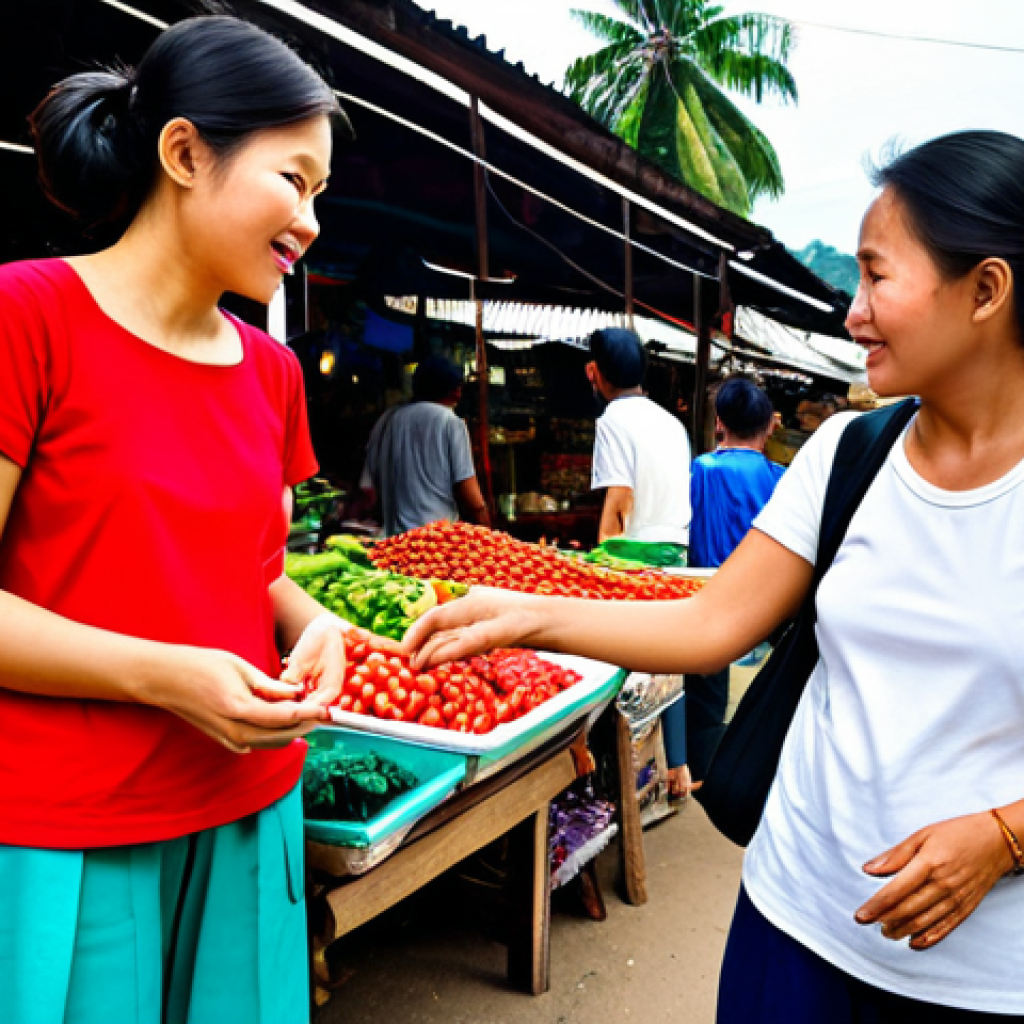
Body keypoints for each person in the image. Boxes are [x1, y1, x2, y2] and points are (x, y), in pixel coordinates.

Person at [404, 130, 1024, 1022]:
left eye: (878, 278)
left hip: (979, 977)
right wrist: (524, 612)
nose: (853, 313)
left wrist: (1003, 837)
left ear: (987, 290)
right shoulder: (848, 456)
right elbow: (711, 624)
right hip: (795, 918)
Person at [0, 17, 355, 1023]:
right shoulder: (26, 319)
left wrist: (309, 623)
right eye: (294, 180)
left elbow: (250, 571)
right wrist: (165, 675)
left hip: (248, 812)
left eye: (319, 193)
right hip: (66, 823)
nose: (312, 222)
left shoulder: (274, 373)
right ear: (185, 153)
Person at [664, 377, 785, 799]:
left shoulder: (699, 469)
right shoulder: (782, 478)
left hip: (708, 602)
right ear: (771, 425)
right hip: (768, 606)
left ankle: (706, 781)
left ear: (719, 423)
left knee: (707, 706)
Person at [360, 355, 490, 536]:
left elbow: (367, 490)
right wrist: (488, 532)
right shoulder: (450, 422)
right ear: (456, 391)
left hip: (392, 542)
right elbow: (470, 492)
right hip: (434, 544)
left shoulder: (387, 419)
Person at [587, 327, 691, 547]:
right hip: (678, 548)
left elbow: (620, 496)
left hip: (639, 551)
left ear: (593, 371)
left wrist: (606, 554)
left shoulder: (612, 419)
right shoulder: (671, 423)